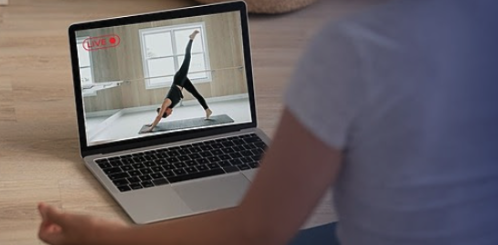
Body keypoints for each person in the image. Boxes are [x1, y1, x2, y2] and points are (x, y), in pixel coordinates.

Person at [38, 0, 498, 244]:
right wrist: (160, 120)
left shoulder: (356, 49)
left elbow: (257, 232)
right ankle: (172, 120)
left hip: (184, 91)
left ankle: (178, 119)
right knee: (183, 97)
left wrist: (104, 237)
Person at [144, 30, 212, 133]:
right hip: (182, 83)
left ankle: (191, 38)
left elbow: (159, 116)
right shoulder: (168, 106)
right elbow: (159, 115)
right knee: (196, 94)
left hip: (179, 79)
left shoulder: (166, 103)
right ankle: (208, 110)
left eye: (169, 113)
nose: (171, 113)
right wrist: (151, 123)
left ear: (165, 110)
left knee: (187, 58)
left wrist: (151, 128)